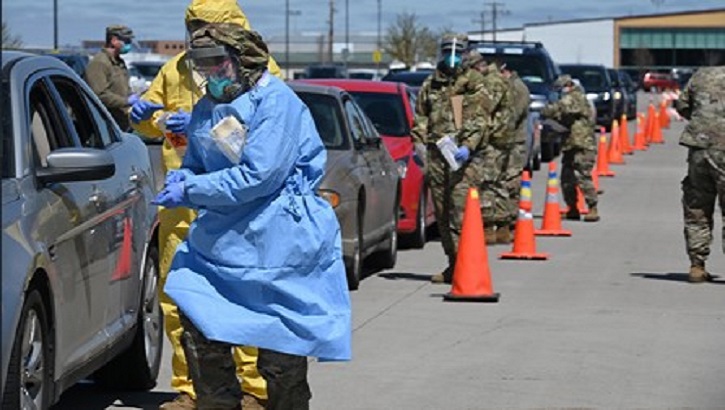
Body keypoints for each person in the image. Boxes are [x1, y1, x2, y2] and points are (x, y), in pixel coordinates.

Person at [154, 24, 351, 410]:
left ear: (243, 61)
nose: (209, 74)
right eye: (201, 65)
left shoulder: (277, 103)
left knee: (280, 352)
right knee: (198, 323)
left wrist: (191, 190)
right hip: (220, 240)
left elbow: (259, 177)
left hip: (276, 236)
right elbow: (197, 160)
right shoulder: (208, 105)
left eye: (216, 63)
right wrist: (185, 175)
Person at [129, 1, 283, 408]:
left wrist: (199, 124)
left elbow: (262, 135)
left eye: (204, 27)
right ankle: (190, 390)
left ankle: (253, 390)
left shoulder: (260, 71)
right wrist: (144, 115)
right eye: (191, 27)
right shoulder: (177, 68)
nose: (196, 36)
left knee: (243, 296)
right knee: (180, 299)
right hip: (183, 201)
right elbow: (149, 119)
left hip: (236, 205)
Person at [411, 34, 487, 284]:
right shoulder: (432, 83)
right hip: (436, 155)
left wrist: (467, 146)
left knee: (460, 212)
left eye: (456, 51)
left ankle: (467, 264)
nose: (451, 56)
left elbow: (478, 119)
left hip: (462, 159)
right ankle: (454, 263)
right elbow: (421, 115)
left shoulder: (473, 83)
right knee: (442, 214)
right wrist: (420, 142)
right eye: (447, 51)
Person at [675, 66, 725, 283]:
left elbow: (682, 105)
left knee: (697, 207)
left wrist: (703, 123)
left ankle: (697, 265)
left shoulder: (701, 75)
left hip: (700, 148)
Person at [466, 51, 514, 244]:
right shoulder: (496, 79)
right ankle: (502, 226)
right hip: (499, 136)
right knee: (498, 181)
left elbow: (485, 107)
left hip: (493, 137)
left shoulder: (492, 81)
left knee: (486, 182)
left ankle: (489, 228)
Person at [542, 74, 600, 222]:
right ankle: (572, 208)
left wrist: (545, 109)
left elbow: (558, 109)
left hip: (583, 144)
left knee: (582, 176)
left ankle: (592, 207)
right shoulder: (571, 99)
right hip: (570, 144)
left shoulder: (576, 97)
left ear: (568, 86)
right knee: (567, 179)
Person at [84, 25, 138, 131]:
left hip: (120, 124)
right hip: (105, 126)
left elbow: (124, 89)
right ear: (114, 40)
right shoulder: (100, 63)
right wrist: (126, 101)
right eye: (126, 41)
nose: (129, 44)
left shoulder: (119, 63)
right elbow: (99, 95)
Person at [500, 63, 531, 236]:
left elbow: (513, 115)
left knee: (512, 181)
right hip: (506, 141)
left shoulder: (519, 89)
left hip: (515, 142)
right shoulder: (508, 87)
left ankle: (513, 221)